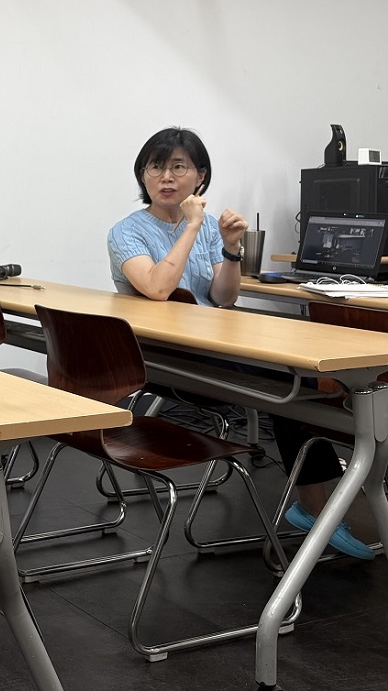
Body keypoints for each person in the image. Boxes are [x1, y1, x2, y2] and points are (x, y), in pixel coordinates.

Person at [107, 126, 374, 560]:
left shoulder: (209, 228)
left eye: (178, 167)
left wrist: (231, 249)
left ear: (200, 176)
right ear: (143, 176)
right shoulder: (126, 232)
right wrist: (193, 226)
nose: (166, 177)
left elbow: (224, 297)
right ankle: (321, 503)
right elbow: (157, 288)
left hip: (210, 346)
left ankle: (330, 491)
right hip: (164, 359)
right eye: (155, 167)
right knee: (294, 388)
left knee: (301, 378)